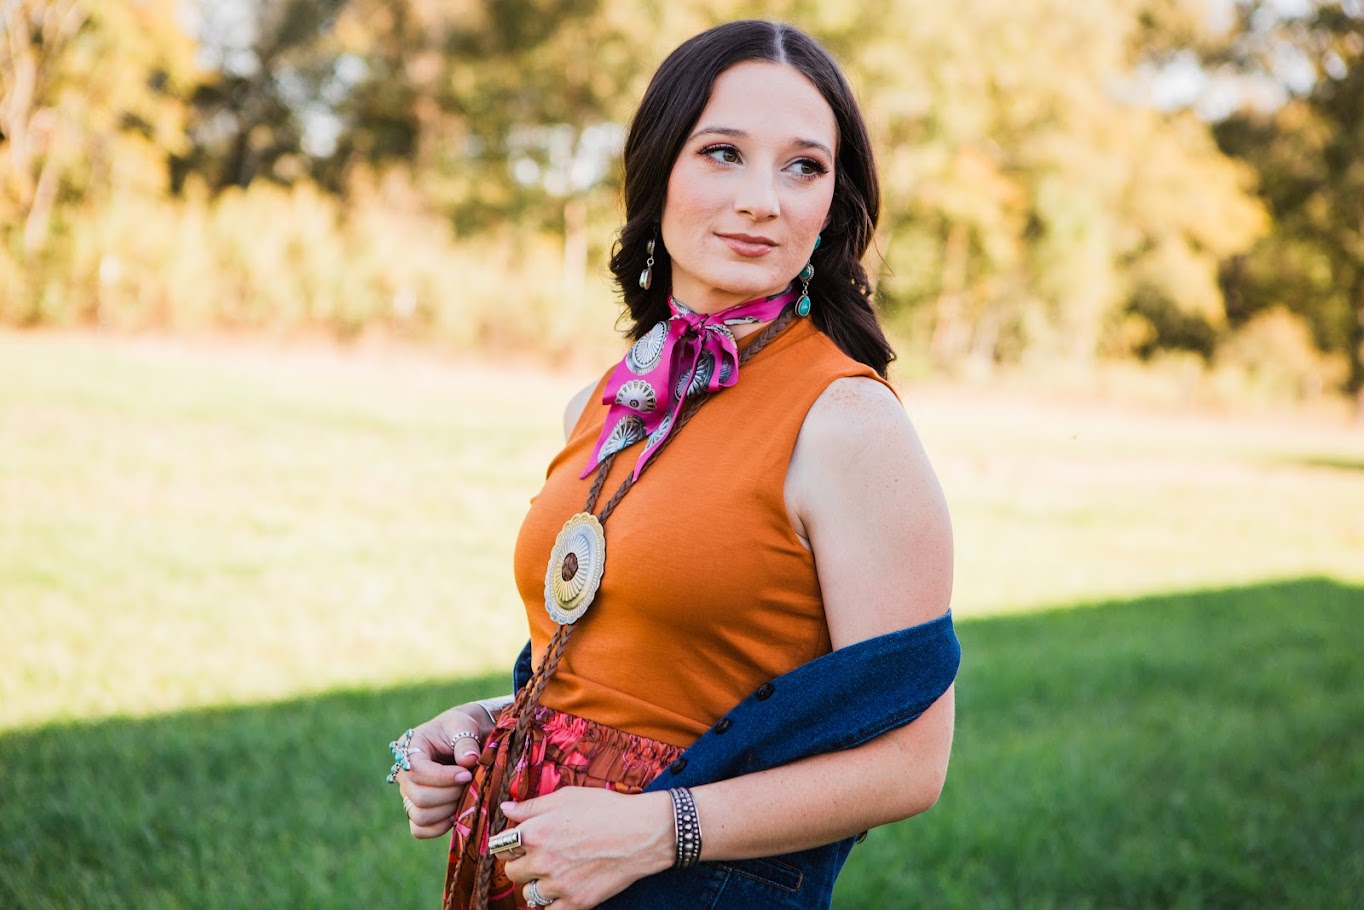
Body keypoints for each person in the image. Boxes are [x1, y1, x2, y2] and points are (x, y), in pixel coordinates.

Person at [390, 19, 960, 910]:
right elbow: (608, 657)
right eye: (723, 153)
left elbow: (910, 764)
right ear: (657, 171)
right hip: (534, 875)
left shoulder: (846, 420)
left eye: (803, 166)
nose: (763, 199)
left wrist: (655, 831)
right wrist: (477, 732)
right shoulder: (603, 402)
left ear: (832, 202)